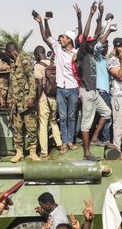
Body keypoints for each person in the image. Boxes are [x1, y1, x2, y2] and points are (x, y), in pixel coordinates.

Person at [35, 10, 79, 152]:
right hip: (60, 88)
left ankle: (70, 141)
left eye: (64, 37)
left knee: (72, 117)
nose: (61, 39)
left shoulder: (76, 53)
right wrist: (43, 22)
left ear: (70, 40)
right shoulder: (58, 49)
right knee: (63, 116)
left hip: (73, 88)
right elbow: (46, 37)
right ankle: (65, 142)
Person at [76, 1, 111, 161]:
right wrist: (89, 15)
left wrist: (101, 14)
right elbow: (86, 34)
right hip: (87, 92)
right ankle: (87, 152)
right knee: (86, 123)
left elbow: (96, 34)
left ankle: (95, 137)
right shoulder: (82, 53)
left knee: (107, 113)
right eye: (89, 42)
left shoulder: (92, 54)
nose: (92, 42)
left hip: (94, 92)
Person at [5, 42, 39, 162]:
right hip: (16, 104)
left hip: (26, 103)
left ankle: (33, 152)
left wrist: (31, 97)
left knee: (31, 128)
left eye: (7, 52)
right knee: (17, 129)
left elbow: (31, 78)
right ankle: (19, 152)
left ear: (10, 51)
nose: (7, 55)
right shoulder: (13, 65)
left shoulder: (24, 60)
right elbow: (11, 85)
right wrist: (9, 101)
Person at [34, 45, 63, 159]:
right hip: (53, 97)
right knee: (54, 121)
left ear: (37, 54)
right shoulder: (53, 63)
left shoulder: (38, 66)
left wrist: (37, 99)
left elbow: (40, 84)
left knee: (43, 124)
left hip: (43, 98)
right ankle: (59, 144)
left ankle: (44, 151)